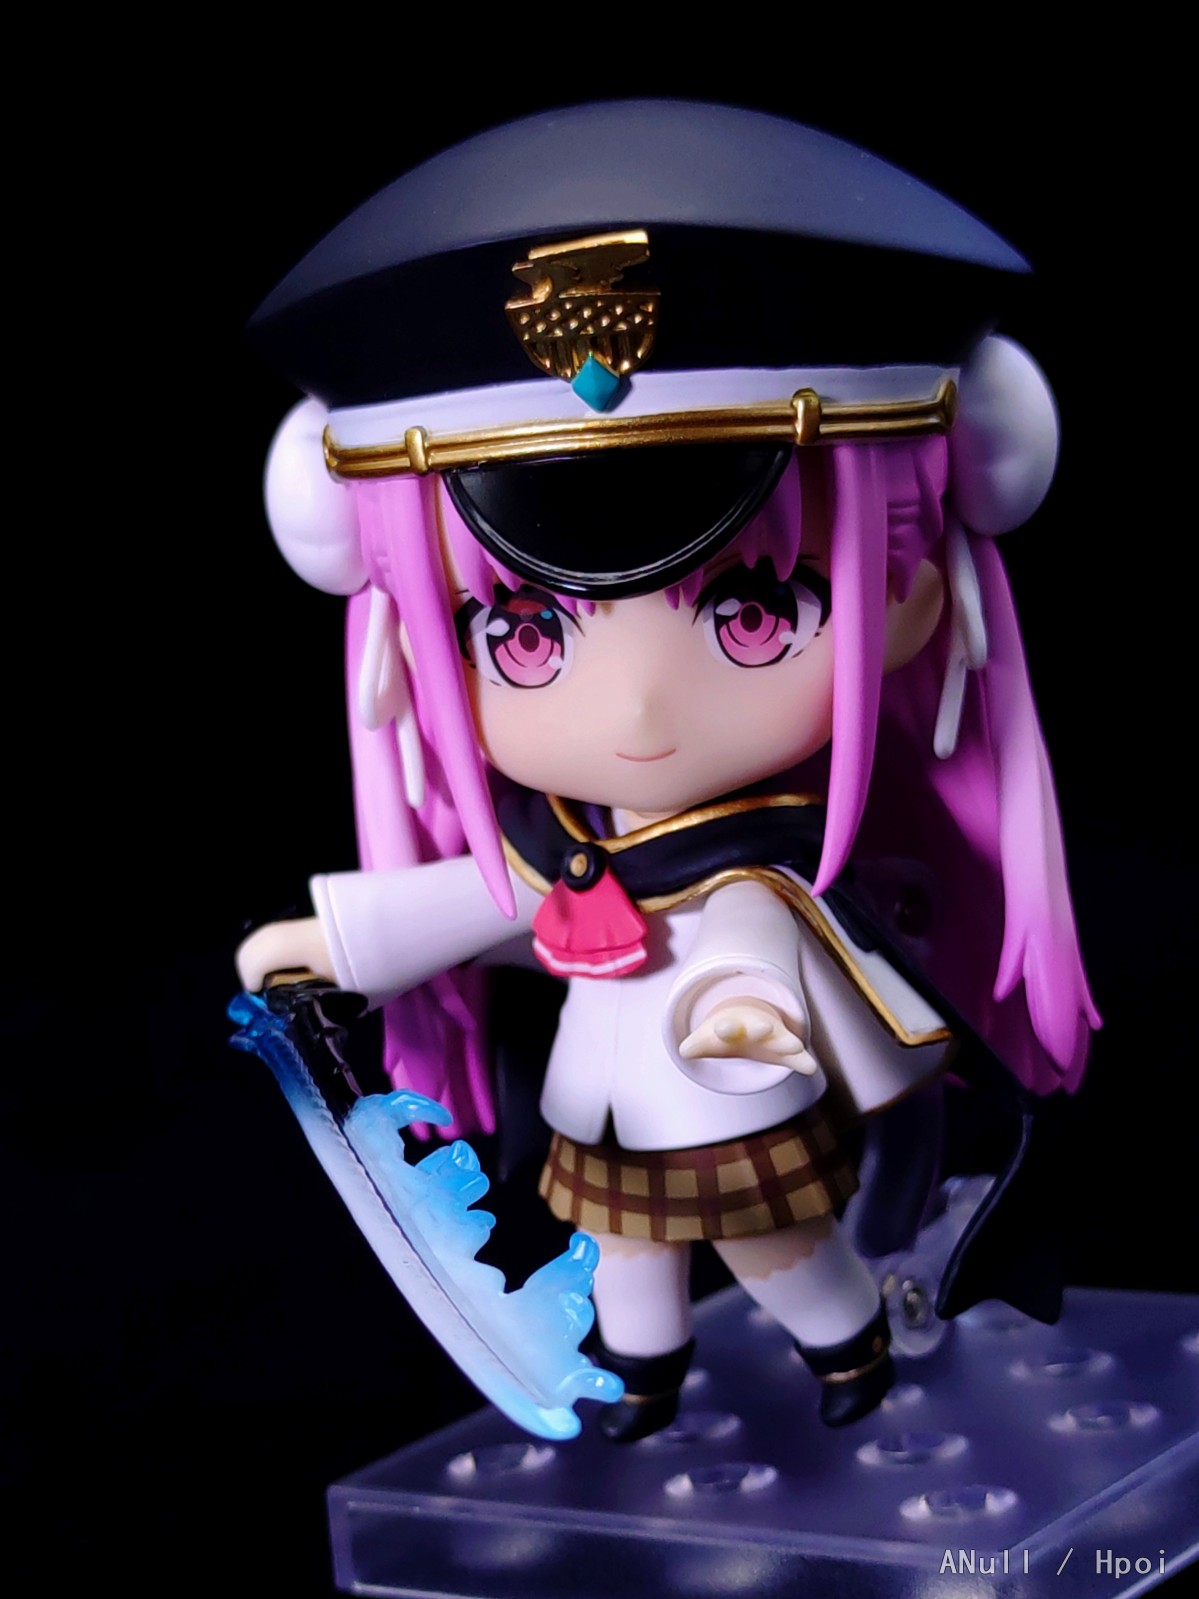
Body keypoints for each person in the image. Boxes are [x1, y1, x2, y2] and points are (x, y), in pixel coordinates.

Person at [236, 101, 1098, 1442]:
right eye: (524, 634)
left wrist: (752, 1014)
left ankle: (847, 1344)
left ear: (912, 607)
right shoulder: (559, 838)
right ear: (399, 646)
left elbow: (763, 945)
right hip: (604, 1101)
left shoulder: (767, 862)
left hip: (723, 1087)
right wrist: (336, 945)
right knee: (623, 1249)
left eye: (754, 612)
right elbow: (489, 901)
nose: (637, 704)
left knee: (772, 1242)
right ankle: (642, 1373)